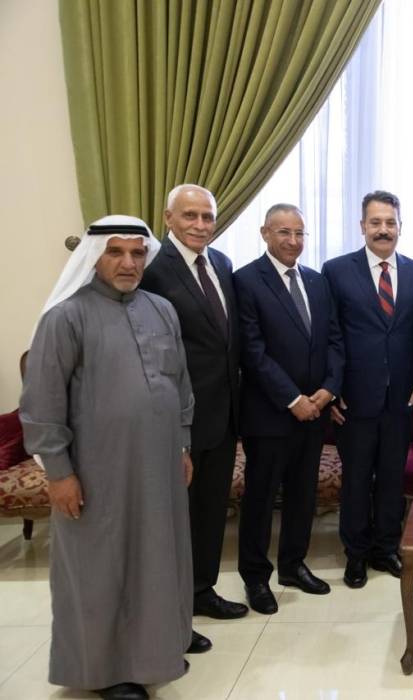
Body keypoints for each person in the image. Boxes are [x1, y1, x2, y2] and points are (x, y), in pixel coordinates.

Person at [20, 215, 210, 700]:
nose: (129, 263)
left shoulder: (162, 310)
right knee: (100, 567)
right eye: (116, 252)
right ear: (94, 256)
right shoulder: (66, 317)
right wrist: (59, 474)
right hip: (97, 469)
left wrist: (183, 444)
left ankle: (158, 649)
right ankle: (106, 671)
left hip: (161, 463)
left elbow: (180, 385)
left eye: (137, 253)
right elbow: (41, 405)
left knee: (159, 556)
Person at [140, 184, 248, 620]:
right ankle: (173, 607)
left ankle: (202, 591)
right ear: (168, 219)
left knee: (210, 512)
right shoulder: (151, 269)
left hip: (223, 416)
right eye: (190, 215)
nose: (200, 225)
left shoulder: (221, 263)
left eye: (207, 217)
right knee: (175, 519)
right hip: (177, 418)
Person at [234, 204, 344, 614]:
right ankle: (255, 577)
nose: (293, 241)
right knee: (261, 500)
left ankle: (293, 565)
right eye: (284, 232)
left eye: (300, 233)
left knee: (302, 495)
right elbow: (252, 351)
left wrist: (327, 390)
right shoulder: (245, 280)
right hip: (270, 415)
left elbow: (334, 341)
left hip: (315, 412)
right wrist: (293, 399)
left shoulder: (316, 281)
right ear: (265, 233)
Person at [322, 190, 413, 589]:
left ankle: (386, 548)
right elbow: (329, 335)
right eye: (376, 222)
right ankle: (356, 554)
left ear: (400, 227)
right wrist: (332, 389)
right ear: (362, 226)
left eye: (390, 223)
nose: (383, 230)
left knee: (391, 478)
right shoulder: (336, 271)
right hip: (354, 399)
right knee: (355, 479)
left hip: (401, 399)